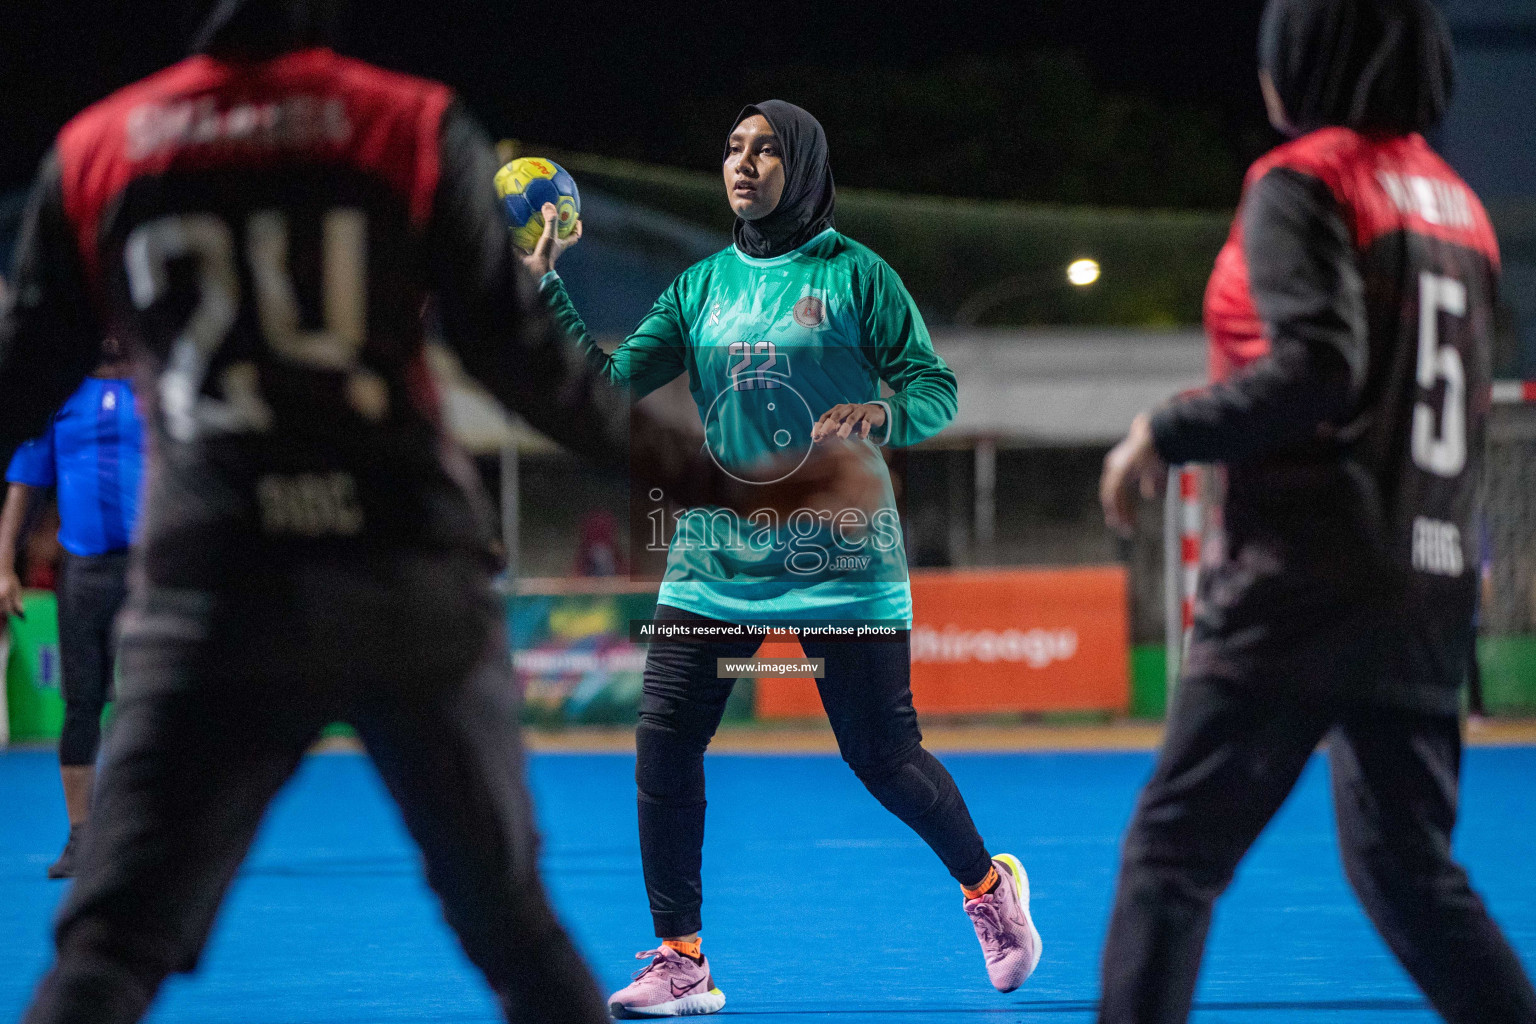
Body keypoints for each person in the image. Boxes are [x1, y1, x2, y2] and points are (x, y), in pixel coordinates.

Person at [5, 4, 873, 1023]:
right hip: (403, 581)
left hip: (213, 586)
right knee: (513, 925)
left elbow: (20, 382)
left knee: (109, 947)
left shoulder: (99, 148)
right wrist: (723, 482)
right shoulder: (405, 126)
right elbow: (538, 374)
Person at [529, 100, 1041, 1018]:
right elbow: (607, 390)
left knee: (883, 757)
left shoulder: (857, 276)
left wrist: (885, 414)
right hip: (718, 558)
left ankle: (988, 887)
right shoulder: (699, 288)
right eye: (732, 146)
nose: (744, 161)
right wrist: (547, 287)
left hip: (839, 556)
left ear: (801, 166)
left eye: (765, 149)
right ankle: (682, 961)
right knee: (665, 739)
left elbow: (934, 385)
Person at [1096, 1, 1536, 1021]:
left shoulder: (1302, 180)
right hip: (1425, 579)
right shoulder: (1460, 208)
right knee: (1408, 872)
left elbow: (1319, 367)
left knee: (1172, 856)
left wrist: (1163, 432)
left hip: (1302, 573)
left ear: (1300, 60)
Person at [0, 336, 142, 879]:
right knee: (82, 704)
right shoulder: (60, 397)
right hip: (83, 574)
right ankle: (82, 836)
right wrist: (5, 567)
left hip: (152, 572)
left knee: (154, 704)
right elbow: (23, 484)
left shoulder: (158, 392)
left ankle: (145, 838)